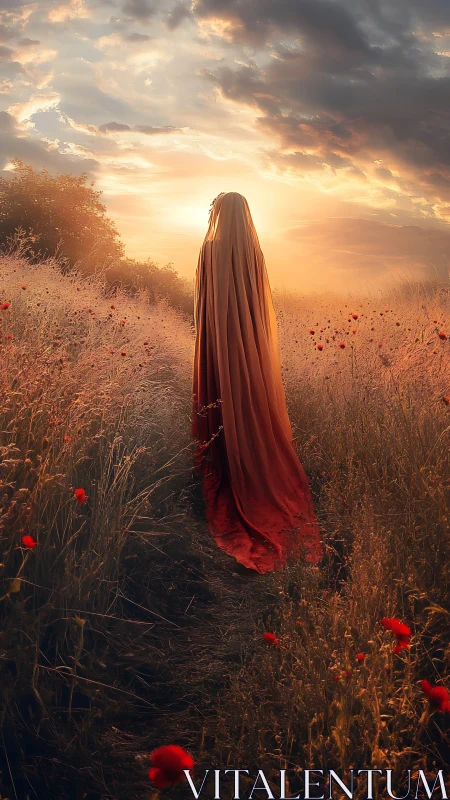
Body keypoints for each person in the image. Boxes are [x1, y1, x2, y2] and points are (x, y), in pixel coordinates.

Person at [192, 192, 322, 574]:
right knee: (247, 399)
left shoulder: (208, 249)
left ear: (218, 214)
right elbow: (258, 310)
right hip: (246, 347)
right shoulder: (254, 252)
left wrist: (214, 339)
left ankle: (227, 461)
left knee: (221, 396)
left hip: (218, 342)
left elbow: (202, 303)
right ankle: (251, 462)